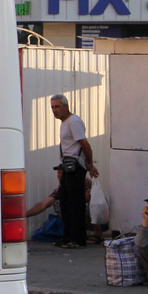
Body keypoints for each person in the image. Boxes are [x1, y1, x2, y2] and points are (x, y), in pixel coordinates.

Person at [50, 93, 99, 248]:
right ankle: (68, 237)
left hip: (75, 166)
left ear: (66, 106)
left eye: (57, 106)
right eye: (52, 107)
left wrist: (89, 164)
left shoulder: (73, 121)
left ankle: (77, 239)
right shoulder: (64, 122)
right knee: (65, 202)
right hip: (67, 166)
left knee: (75, 203)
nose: (54, 110)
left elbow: (84, 144)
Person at [26, 165, 100, 242]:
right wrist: (24, 215)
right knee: (58, 204)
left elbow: (88, 197)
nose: (58, 176)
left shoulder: (84, 182)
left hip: (96, 218)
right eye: (58, 174)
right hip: (77, 217)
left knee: (88, 206)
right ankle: (72, 233)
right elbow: (44, 204)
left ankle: (97, 233)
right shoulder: (61, 189)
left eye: (61, 174)